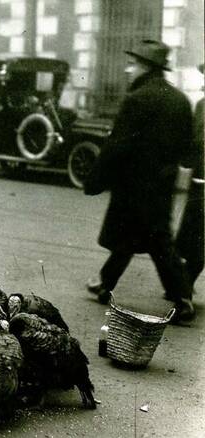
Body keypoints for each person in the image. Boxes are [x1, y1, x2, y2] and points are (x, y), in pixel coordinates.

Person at [84, 40, 195, 323]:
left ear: (146, 67)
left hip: (132, 185)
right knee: (135, 235)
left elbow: (117, 146)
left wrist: (95, 179)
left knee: (152, 239)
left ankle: (182, 298)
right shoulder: (180, 100)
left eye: (133, 64)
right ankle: (105, 283)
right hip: (161, 184)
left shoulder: (137, 99)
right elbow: (187, 147)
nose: (127, 69)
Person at [175, 63, 204, 292]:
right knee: (190, 238)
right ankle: (184, 283)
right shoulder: (201, 106)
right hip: (199, 182)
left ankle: (185, 284)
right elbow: (194, 139)